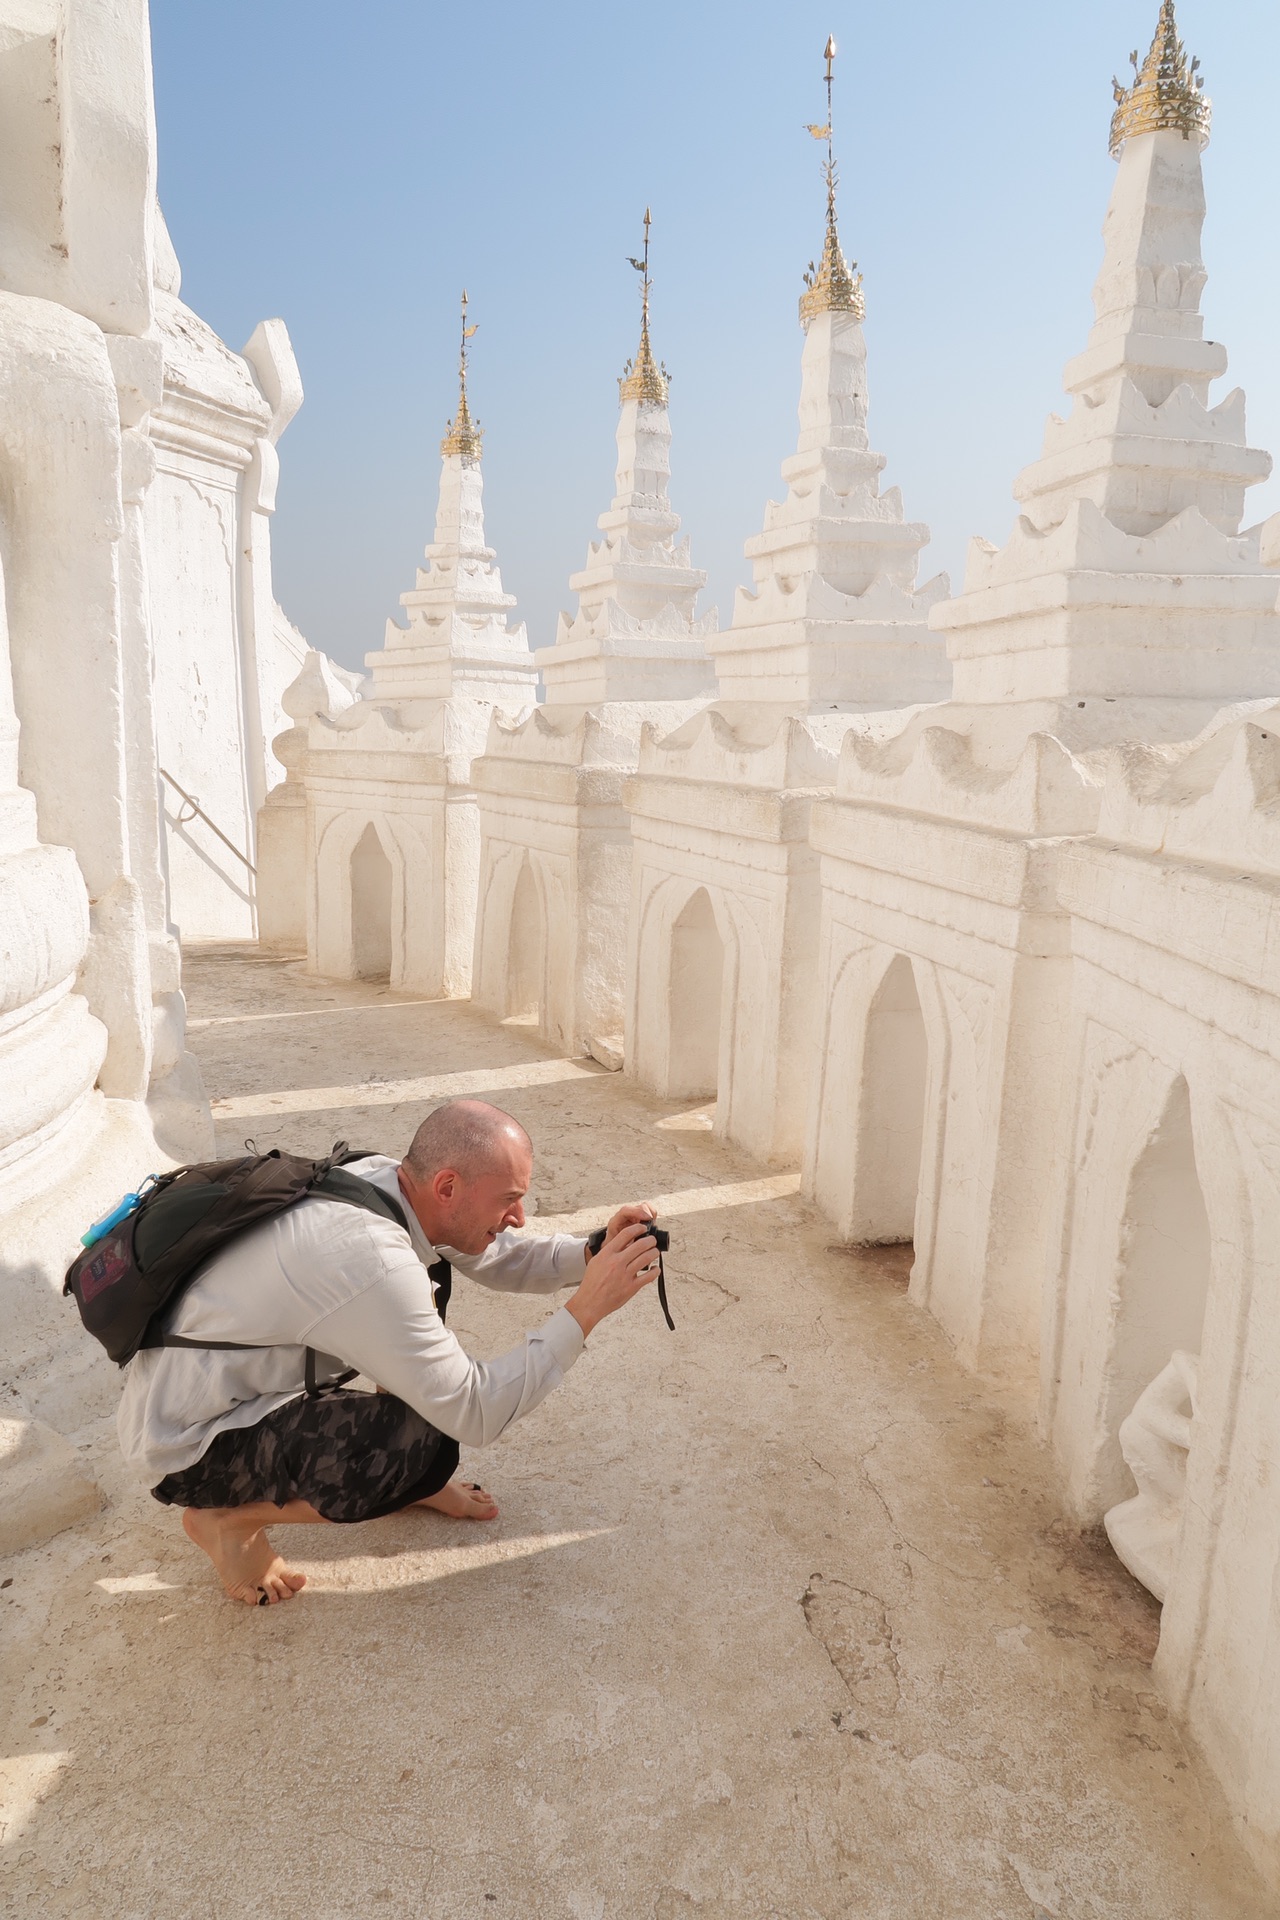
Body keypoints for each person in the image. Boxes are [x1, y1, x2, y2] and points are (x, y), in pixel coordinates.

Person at [116, 1099, 658, 1606]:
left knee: (426, 1301)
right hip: (189, 1443)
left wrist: (592, 1251)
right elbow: (477, 1411)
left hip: (216, 1388)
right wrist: (586, 1310)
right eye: (508, 1200)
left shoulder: (383, 1178)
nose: (517, 1216)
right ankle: (225, 1520)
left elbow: (495, 1253)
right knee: (422, 1448)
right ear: (448, 1185)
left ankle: (403, 1483)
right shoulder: (370, 1261)